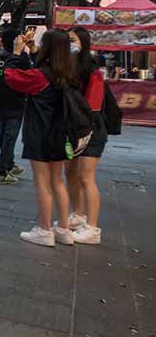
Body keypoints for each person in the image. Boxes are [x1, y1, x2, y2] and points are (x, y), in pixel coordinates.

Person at [5, 29, 78, 247]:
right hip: (61, 133)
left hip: (40, 133)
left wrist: (16, 53)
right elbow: (43, 68)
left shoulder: (40, 76)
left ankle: (45, 230)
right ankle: (64, 229)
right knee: (57, 182)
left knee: (42, 183)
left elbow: (11, 77)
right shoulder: (68, 72)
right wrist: (33, 51)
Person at [65, 27, 106, 245]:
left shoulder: (92, 68)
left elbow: (94, 104)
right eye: (67, 39)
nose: (69, 43)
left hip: (91, 128)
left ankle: (92, 228)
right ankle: (78, 215)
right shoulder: (67, 65)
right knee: (71, 173)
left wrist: (86, 127)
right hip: (72, 128)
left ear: (83, 42)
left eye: (72, 40)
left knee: (85, 176)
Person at [0, 28, 30, 185]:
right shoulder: (21, 59)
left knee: (4, 137)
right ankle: (2, 171)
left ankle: (9, 164)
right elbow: (29, 79)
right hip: (15, 103)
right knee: (9, 138)